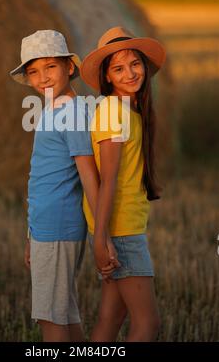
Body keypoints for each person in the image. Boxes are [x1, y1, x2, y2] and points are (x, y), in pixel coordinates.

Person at [9, 29, 100, 342]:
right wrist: (32, 236)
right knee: (64, 315)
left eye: (50, 67)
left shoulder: (73, 113)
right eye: (33, 71)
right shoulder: (53, 109)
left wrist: (101, 234)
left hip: (58, 226)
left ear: (69, 68)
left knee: (51, 321)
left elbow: (88, 175)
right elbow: (43, 180)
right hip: (46, 227)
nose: (42, 78)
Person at [80, 26, 166, 342]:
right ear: (107, 77)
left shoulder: (130, 111)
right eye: (118, 68)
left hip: (122, 225)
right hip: (121, 229)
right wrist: (102, 240)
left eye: (135, 64)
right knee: (148, 324)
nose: (130, 73)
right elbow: (108, 181)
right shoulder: (114, 112)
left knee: (112, 316)